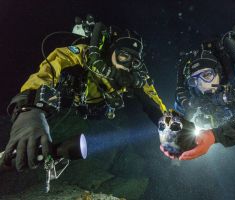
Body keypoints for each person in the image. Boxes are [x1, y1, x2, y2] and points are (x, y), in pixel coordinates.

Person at [0, 21, 167, 171]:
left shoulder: (133, 77)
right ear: (111, 51)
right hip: (70, 96)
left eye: (134, 61)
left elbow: (153, 98)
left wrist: (173, 125)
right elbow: (53, 64)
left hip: (97, 108)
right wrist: (29, 108)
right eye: (124, 55)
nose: (127, 65)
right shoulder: (86, 54)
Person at [160, 26, 235, 160]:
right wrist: (171, 136)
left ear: (219, 71)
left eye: (207, 75)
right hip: (229, 107)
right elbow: (180, 111)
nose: (202, 84)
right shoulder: (193, 87)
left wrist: (216, 135)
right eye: (195, 79)